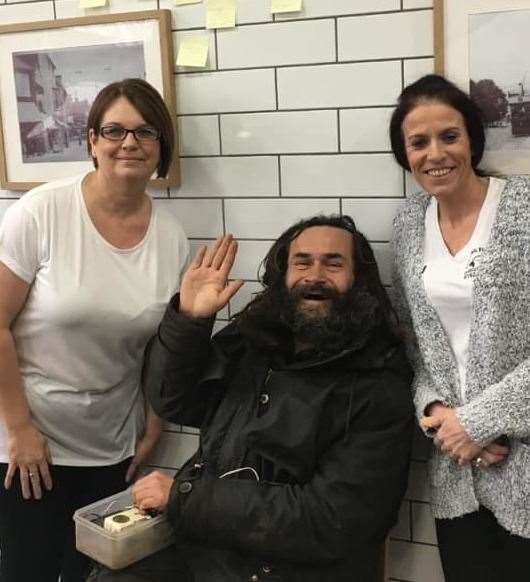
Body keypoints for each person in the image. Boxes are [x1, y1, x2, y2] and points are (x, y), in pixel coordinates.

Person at [90, 215, 414, 582]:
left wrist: (185, 497)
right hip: (207, 548)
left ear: (359, 281)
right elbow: (174, 401)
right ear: (284, 274)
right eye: (302, 262)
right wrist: (190, 320)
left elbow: (329, 521)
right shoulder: (253, 341)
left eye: (334, 263)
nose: (315, 275)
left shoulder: (379, 382)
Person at [0, 78, 189, 582]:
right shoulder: (43, 211)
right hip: (29, 448)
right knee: (27, 571)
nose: (130, 143)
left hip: (111, 445)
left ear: (160, 147)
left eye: (145, 132)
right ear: (91, 141)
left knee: (93, 574)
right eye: (114, 130)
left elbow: (159, 344)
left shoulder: (171, 237)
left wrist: (154, 421)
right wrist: (19, 431)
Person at [390, 74, 530, 581]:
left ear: (472, 138)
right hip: (457, 468)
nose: (435, 154)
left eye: (449, 136)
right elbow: (418, 348)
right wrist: (437, 412)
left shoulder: (524, 208)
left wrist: (481, 421)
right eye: (418, 142)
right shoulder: (407, 225)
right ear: (404, 154)